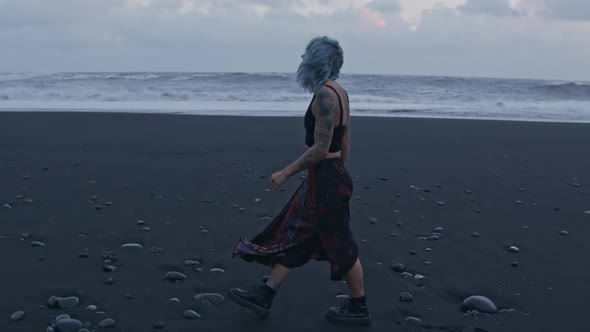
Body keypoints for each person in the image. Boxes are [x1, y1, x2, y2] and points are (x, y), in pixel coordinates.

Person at [229, 36, 370, 326]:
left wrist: (285, 172)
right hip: (328, 177)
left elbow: (321, 148)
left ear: (317, 61)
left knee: (341, 244)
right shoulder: (339, 91)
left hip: (326, 179)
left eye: (306, 56)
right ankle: (265, 294)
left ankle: (359, 306)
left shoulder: (325, 96)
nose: (302, 60)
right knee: (296, 236)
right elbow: (345, 140)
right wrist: (337, 172)